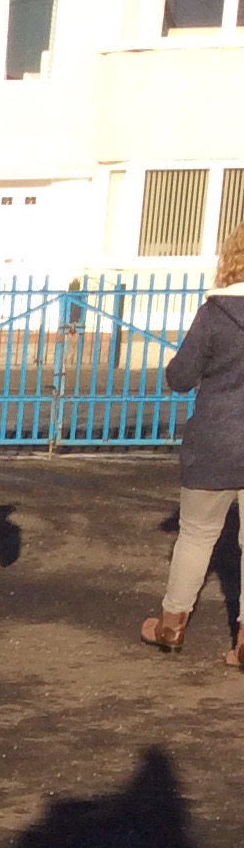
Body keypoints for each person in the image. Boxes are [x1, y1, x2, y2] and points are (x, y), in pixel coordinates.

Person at [141, 224, 244, 655]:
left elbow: (180, 377)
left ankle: (171, 626)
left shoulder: (215, 313)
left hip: (215, 443)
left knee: (197, 535)